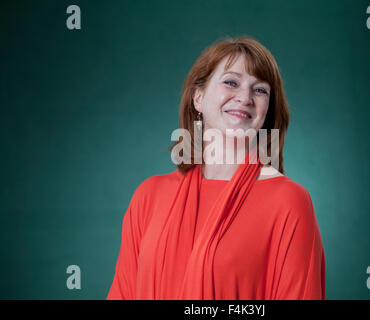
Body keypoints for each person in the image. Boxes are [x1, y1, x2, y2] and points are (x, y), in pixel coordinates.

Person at [106, 36, 325, 300]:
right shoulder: (148, 196)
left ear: (267, 110)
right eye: (231, 82)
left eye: (260, 90)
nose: (244, 97)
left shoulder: (289, 202)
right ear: (198, 97)